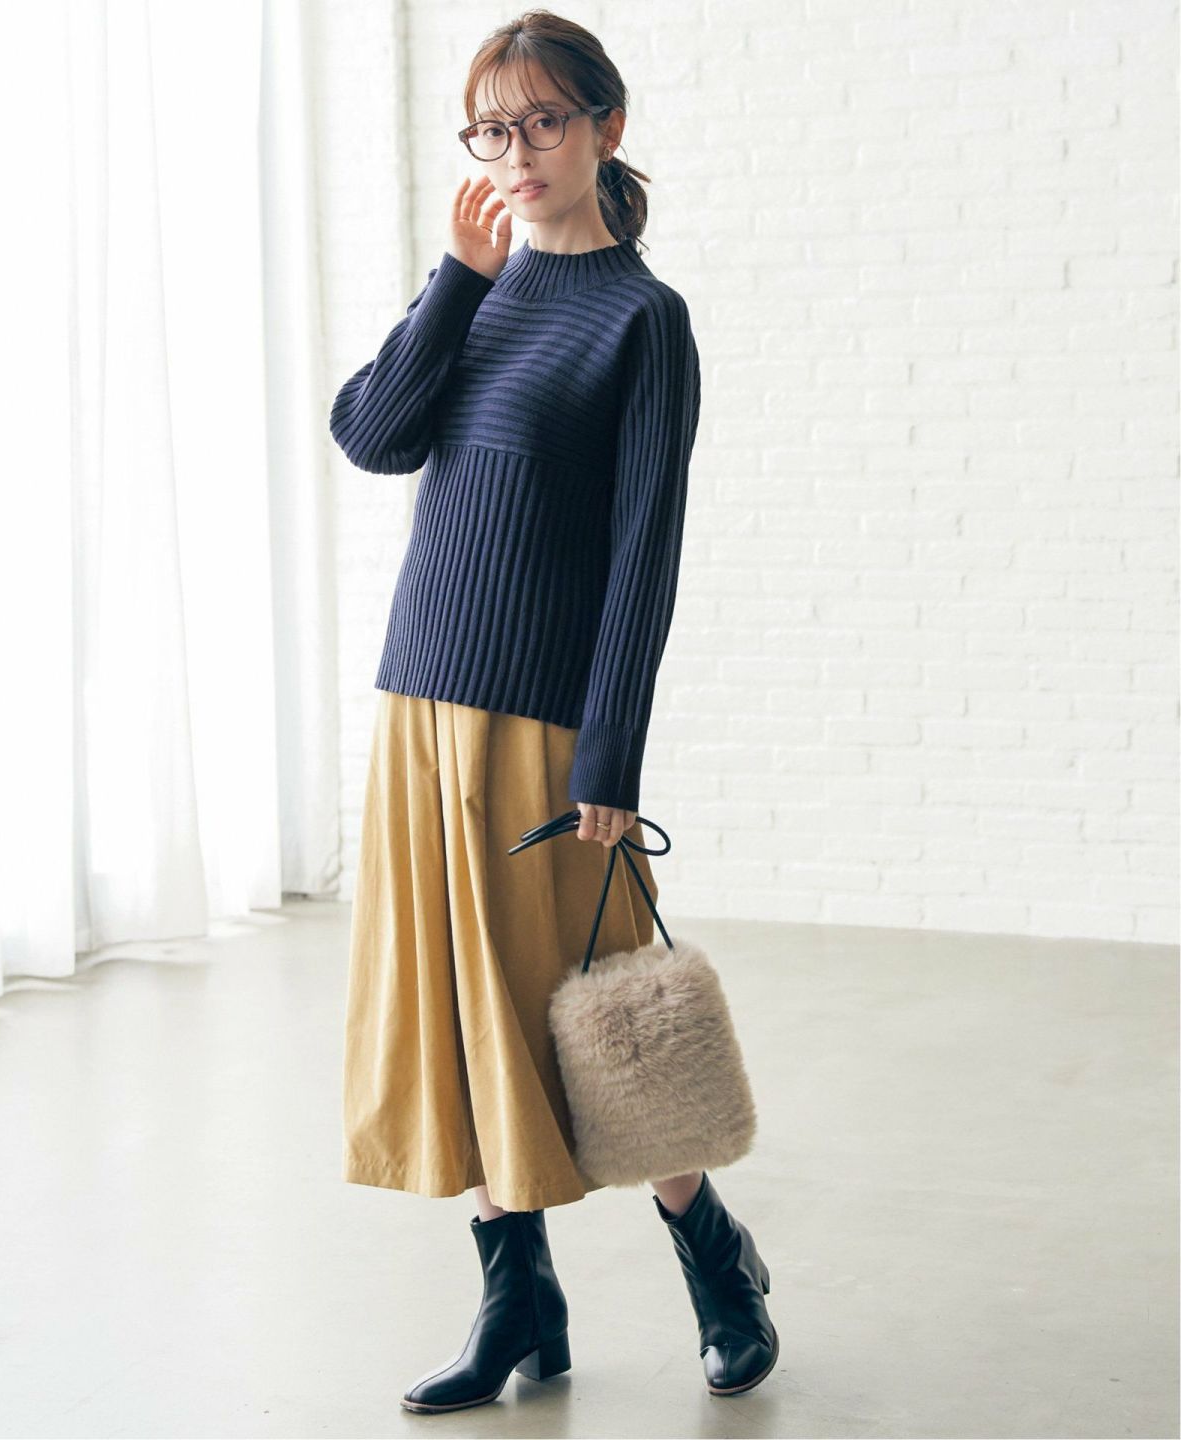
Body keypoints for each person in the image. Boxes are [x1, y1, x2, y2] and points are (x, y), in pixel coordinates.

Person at [329, 8, 777, 1414]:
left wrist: (612, 757)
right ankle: (516, 1297)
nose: (514, 154)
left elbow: (646, 556)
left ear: (604, 128)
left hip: (542, 726)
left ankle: (714, 1255)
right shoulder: (480, 290)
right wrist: (453, 284)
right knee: (468, 1016)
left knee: (600, 1012)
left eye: (541, 123)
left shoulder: (645, 322)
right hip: (422, 701)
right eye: (491, 129)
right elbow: (371, 434)